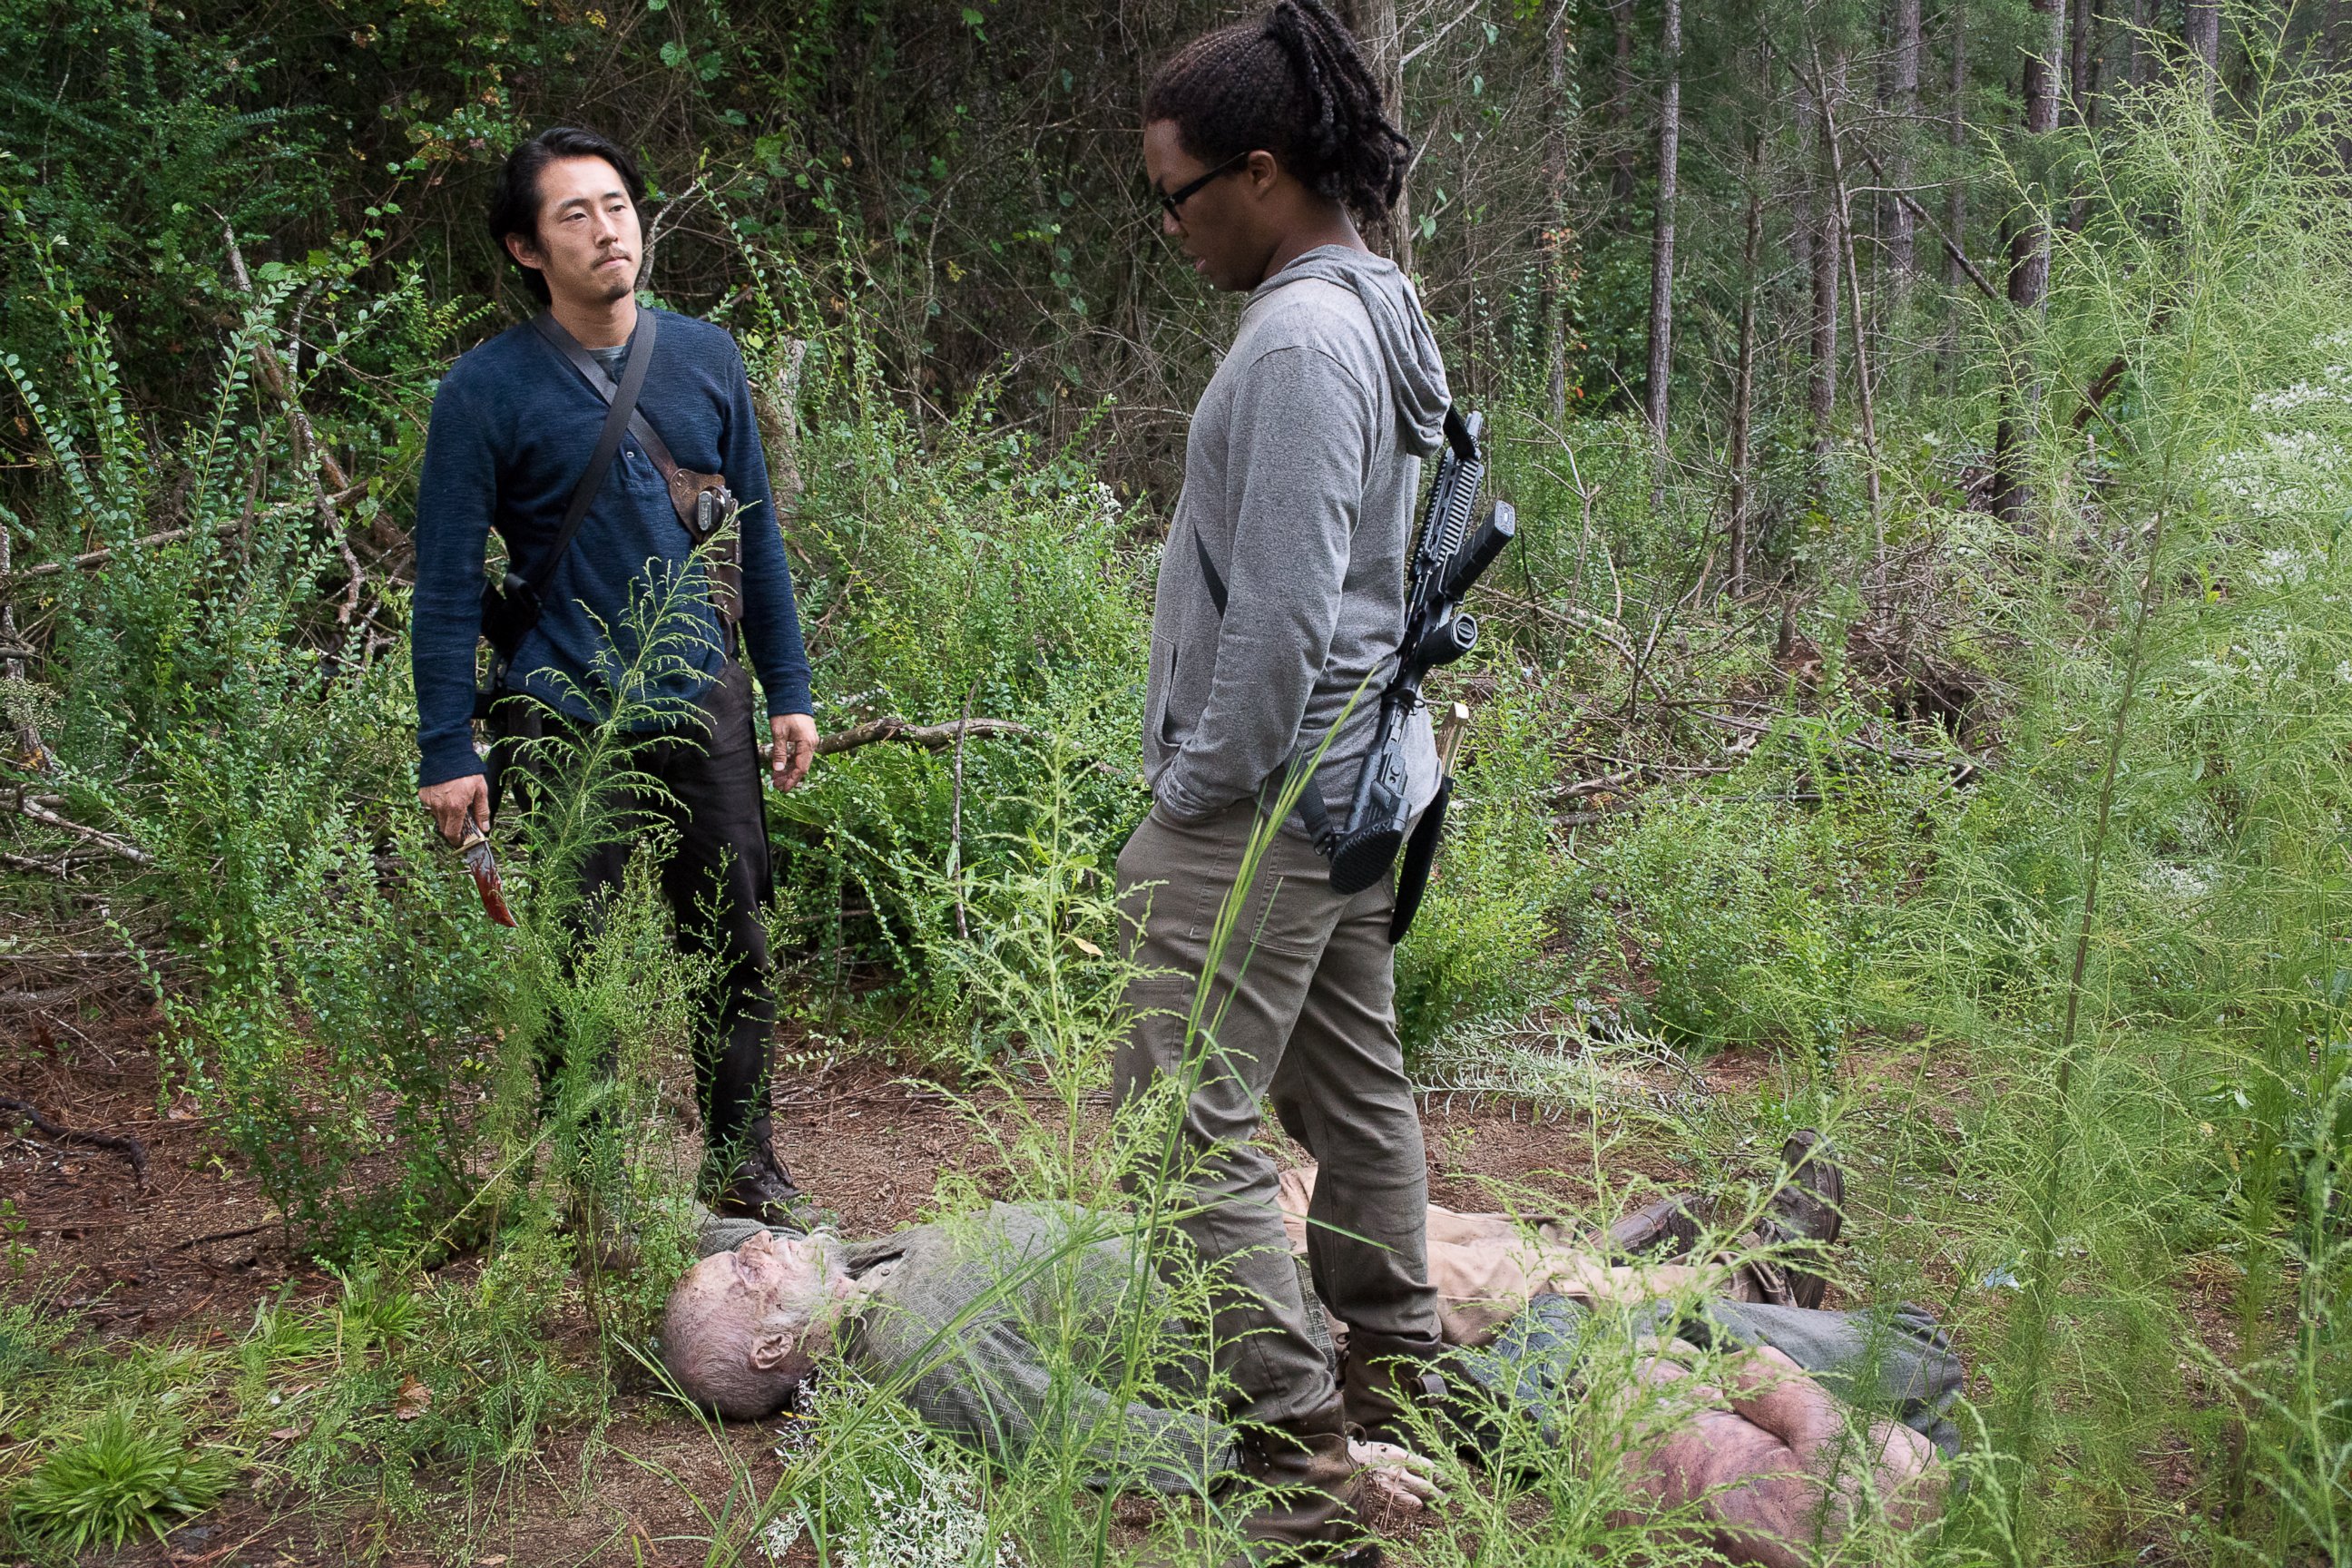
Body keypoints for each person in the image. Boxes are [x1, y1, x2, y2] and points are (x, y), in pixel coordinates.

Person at [657, 1150, 1958, 1568]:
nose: (771, 1242)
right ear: (779, 1342)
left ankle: (1754, 1289)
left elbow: (741, 1246)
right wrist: (1316, 1461)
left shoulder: (874, 1274)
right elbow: (1083, 1430)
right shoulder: (909, 1337)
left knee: (1585, 1280)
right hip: (1367, 1329)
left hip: (1306, 1235)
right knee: (1895, 1388)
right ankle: (1816, 1343)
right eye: (753, 1268)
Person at [1112, 4, 1454, 1554]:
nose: (1169, 226)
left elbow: (1286, 615)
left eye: (1176, 194)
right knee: (1347, 1079)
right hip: (1350, 787)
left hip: (1273, 793)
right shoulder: (1368, 302)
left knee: (1178, 1110)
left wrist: (1191, 792)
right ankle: (1406, 1376)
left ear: (1259, 173)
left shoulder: (1306, 337)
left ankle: (1298, 1458)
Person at [409, 126, 818, 1223]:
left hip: (701, 700)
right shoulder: (483, 392)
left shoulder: (707, 358)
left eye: (618, 206)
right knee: (572, 962)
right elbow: (446, 583)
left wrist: (789, 688)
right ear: (527, 249)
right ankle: (593, 1195)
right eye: (573, 215)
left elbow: (754, 539)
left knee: (730, 942)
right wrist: (447, 748)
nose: (606, 229)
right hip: (559, 714)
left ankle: (744, 1165)